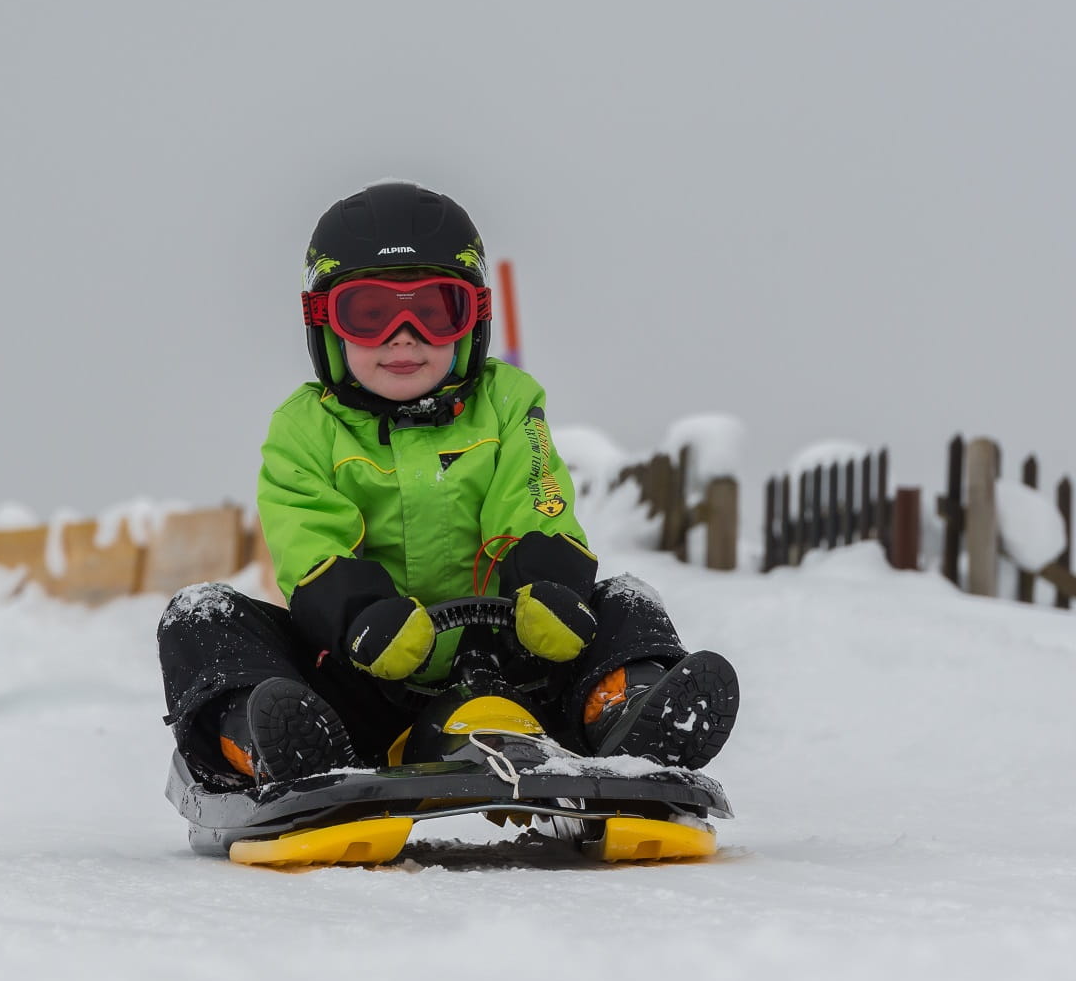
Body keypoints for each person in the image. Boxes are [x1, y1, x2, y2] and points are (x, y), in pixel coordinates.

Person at [157, 182, 739, 785]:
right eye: (371, 313)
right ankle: (268, 740)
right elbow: (308, 539)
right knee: (202, 617)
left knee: (625, 600)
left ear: (472, 320)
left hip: (519, 665)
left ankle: (629, 715)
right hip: (361, 680)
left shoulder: (510, 403)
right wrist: (358, 615)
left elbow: (537, 502)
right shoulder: (304, 429)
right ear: (327, 325)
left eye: (434, 311)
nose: (403, 334)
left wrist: (547, 589)